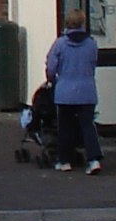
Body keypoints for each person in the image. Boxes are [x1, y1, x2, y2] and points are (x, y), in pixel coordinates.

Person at [39, 12, 104, 173]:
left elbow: (51, 66)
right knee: (87, 126)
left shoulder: (60, 44)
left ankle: (64, 161)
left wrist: (51, 79)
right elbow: (93, 63)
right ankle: (94, 160)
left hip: (65, 91)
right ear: (82, 23)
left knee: (65, 127)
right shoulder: (91, 43)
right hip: (86, 90)